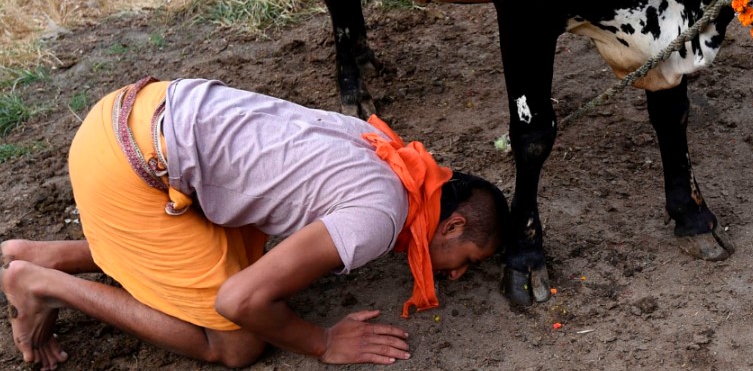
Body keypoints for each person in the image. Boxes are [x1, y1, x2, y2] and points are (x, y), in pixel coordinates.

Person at [1, 77, 509, 369]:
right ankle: (42, 284)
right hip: (129, 170)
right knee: (237, 342)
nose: (458, 273)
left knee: (250, 255)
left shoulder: (384, 151)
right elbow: (239, 301)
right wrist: (322, 342)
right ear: (452, 225)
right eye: (468, 260)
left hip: (128, 113)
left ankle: (48, 253)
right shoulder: (380, 215)